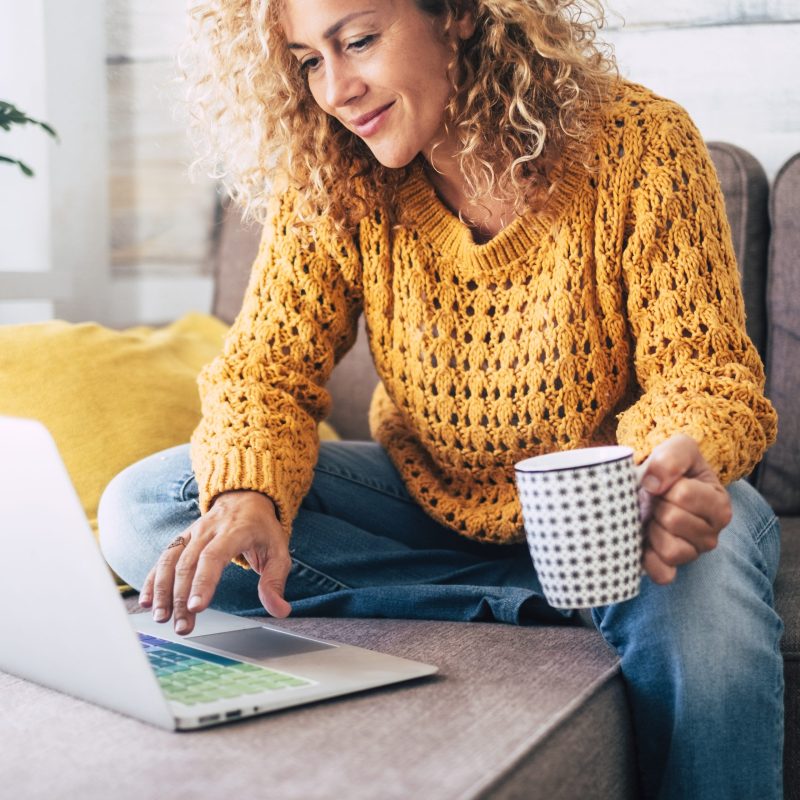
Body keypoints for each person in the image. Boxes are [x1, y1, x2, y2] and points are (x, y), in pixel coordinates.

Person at [98, 0, 783, 796]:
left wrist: (665, 473)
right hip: (432, 505)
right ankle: (553, 603)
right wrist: (249, 493)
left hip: (618, 516)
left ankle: (584, 593)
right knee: (148, 507)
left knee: (702, 580)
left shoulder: (641, 145)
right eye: (308, 61)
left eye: (357, 41)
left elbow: (705, 375)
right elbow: (264, 373)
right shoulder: (334, 171)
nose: (336, 89)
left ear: (459, 14)